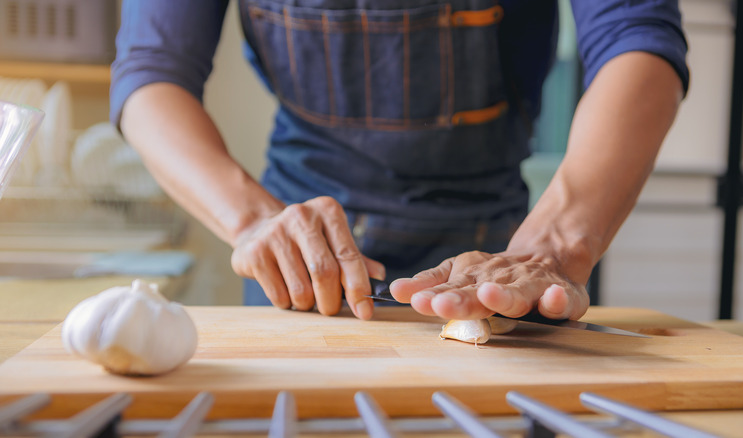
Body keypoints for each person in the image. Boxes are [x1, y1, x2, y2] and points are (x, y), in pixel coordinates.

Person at [110, 0, 688, 322]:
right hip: (300, 262)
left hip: (496, 262)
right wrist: (253, 221)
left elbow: (636, 38)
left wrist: (555, 244)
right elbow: (152, 74)